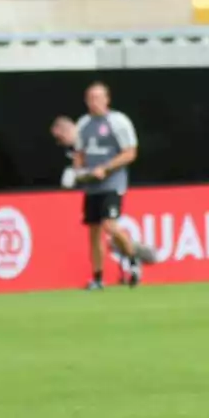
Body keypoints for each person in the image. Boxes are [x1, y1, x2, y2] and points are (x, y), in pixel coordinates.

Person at [73, 82, 156, 290]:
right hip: (92, 186)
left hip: (112, 183)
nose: (94, 102)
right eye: (90, 98)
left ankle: (133, 258)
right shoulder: (83, 124)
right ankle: (98, 278)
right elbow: (79, 154)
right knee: (93, 231)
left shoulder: (118, 121)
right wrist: (79, 171)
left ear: (107, 99)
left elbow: (130, 152)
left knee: (110, 225)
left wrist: (106, 168)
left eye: (98, 97)